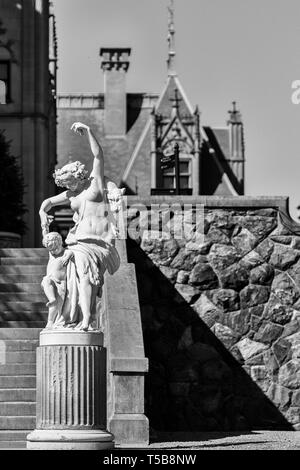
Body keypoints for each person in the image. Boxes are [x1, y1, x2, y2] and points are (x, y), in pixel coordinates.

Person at [39, 122, 120, 331]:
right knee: (74, 278)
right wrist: (42, 214)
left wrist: (89, 132)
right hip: (76, 241)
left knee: (84, 277)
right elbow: (47, 203)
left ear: (79, 175)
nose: (68, 188)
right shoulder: (70, 194)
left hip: (98, 241)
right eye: (65, 185)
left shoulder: (96, 184)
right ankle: (76, 318)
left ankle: (86, 318)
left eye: (70, 183)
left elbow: (98, 156)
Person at [41, 232, 73, 329]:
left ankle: (50, 322)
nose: (52, 251)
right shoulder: (51, 253)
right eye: (47, 244)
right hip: (51, 280)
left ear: (58, 242)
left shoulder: (66, 252)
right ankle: (52, 299)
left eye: (49, 243)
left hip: (61, 283)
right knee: (46, 280)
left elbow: (71, 252)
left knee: (58, 306)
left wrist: (67, 257)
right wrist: (44, 224)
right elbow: (45, 234)